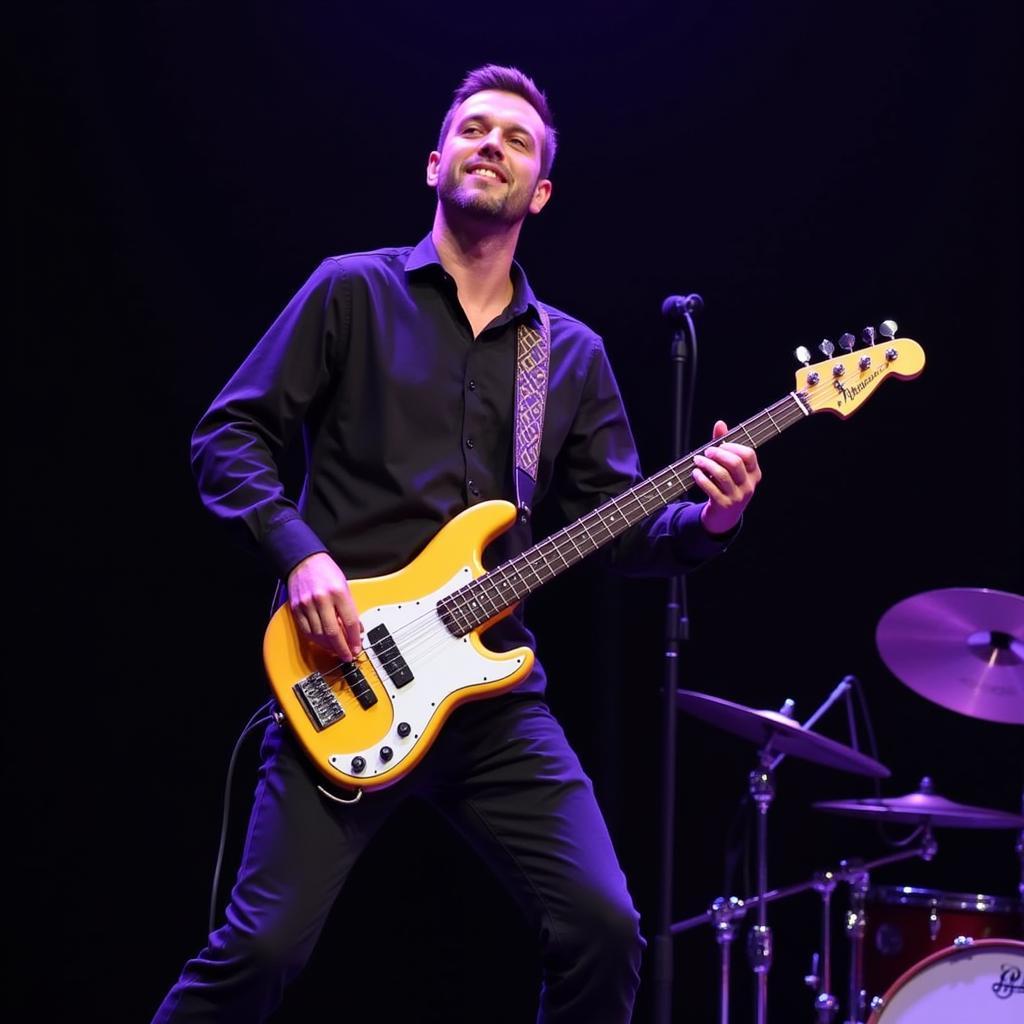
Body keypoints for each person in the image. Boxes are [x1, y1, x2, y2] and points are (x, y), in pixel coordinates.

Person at [152, 64, 761, 1023]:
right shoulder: (350, 292)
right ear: (436, 161)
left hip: (492, 704)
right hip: (343, 671)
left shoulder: (569, 355)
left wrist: (711, 519)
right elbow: (225, 438)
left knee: (606, 931)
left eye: (517, 140)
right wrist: (302, 553)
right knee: (259, 949)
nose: (493, 146)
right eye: (474, 130)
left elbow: (620, 528)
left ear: (541, 192)